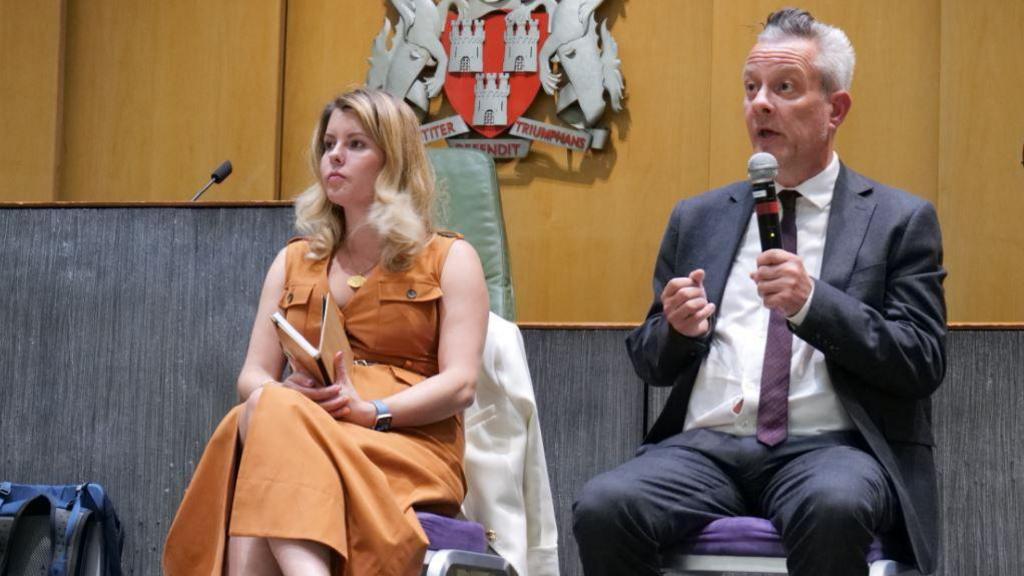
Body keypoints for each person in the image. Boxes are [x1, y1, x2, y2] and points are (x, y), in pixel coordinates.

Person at [573, 8, 946, 576]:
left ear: (835, 109)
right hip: (706, 451)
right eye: (751, 89)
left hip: (831, 449)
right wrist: (675, 328)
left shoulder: (900, 219)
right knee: (603, 506)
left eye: (785, 88)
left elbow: (921, 361)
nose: (760, 104)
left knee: (835, 506)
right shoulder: (698, 218)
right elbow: (649, 361)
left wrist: (813, 304)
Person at [163, 87, 489, 576]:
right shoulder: (293, 260)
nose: (334, 155)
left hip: (403, 446)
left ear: (393, 162)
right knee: (267, 410)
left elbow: (460, 384)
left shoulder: (449, 258)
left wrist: (372, 411)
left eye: (356, 144)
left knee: (264, 437)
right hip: (304, 432)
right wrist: (288, 394)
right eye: (329, 143)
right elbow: (253, 376)